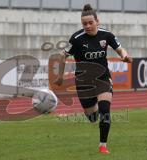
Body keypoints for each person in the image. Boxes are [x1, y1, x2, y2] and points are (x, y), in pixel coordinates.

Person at [54, 4, 132, 154]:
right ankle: (93, 110)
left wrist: (124, 56)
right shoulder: (76, 38)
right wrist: (59, 77)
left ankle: (103, 145)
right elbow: (62, 55)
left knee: (105, 110)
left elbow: (120, 48)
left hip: (102, 78)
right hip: (83, 82)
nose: (88, 26)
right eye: (84, 24)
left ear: (97, 21)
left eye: (91, 23)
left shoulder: (106, 35)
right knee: (92, 117)